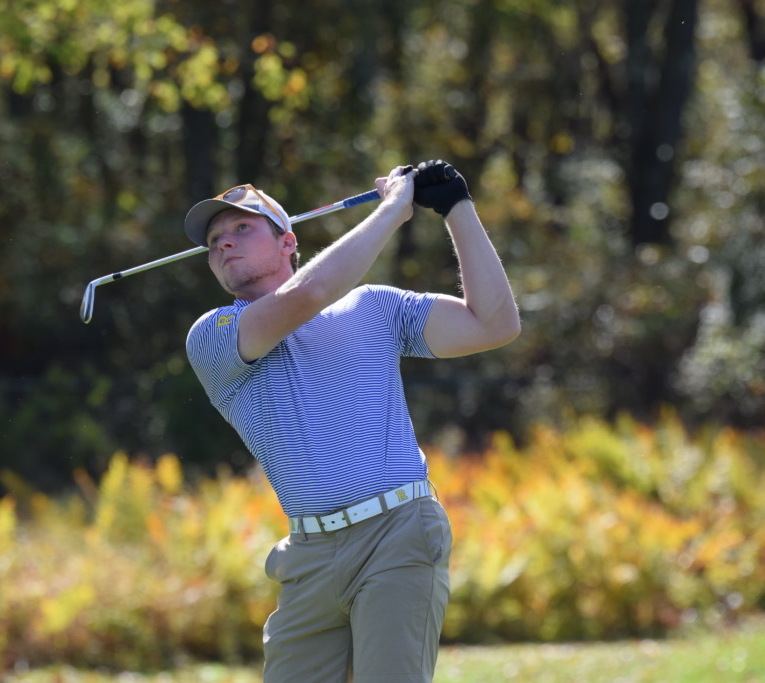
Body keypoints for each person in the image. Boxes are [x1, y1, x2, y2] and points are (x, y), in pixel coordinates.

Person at [183, 161, 520, 682]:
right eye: (214, 241)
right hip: (308, 558)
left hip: (399, 533)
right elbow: (307, 296)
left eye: (242, 228)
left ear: (288, 243)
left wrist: (457, 209)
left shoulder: (375, 308)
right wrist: (393, 211)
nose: (224, 244)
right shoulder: (213, 337)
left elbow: (494, 323)